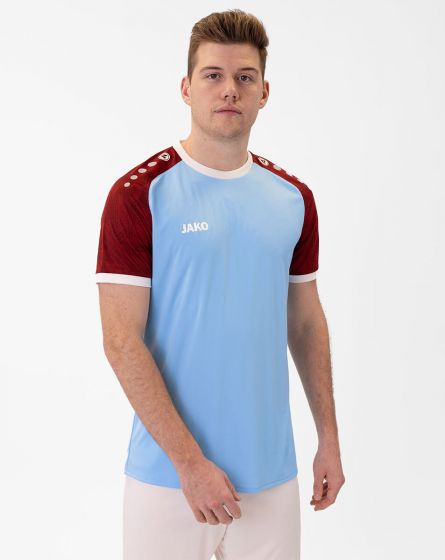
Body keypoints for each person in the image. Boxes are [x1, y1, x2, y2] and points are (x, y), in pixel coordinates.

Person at [95, 8, 345, 560]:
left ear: (264, 92)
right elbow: (120, 341)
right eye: (213, 75)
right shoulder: (138, 196)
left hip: (271, 478)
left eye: (244, 77)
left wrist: (328, 439)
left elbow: (306, 322)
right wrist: (190, 465)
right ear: (186, 88)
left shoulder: (294, 199)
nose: (230, 89)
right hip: (168, 481)